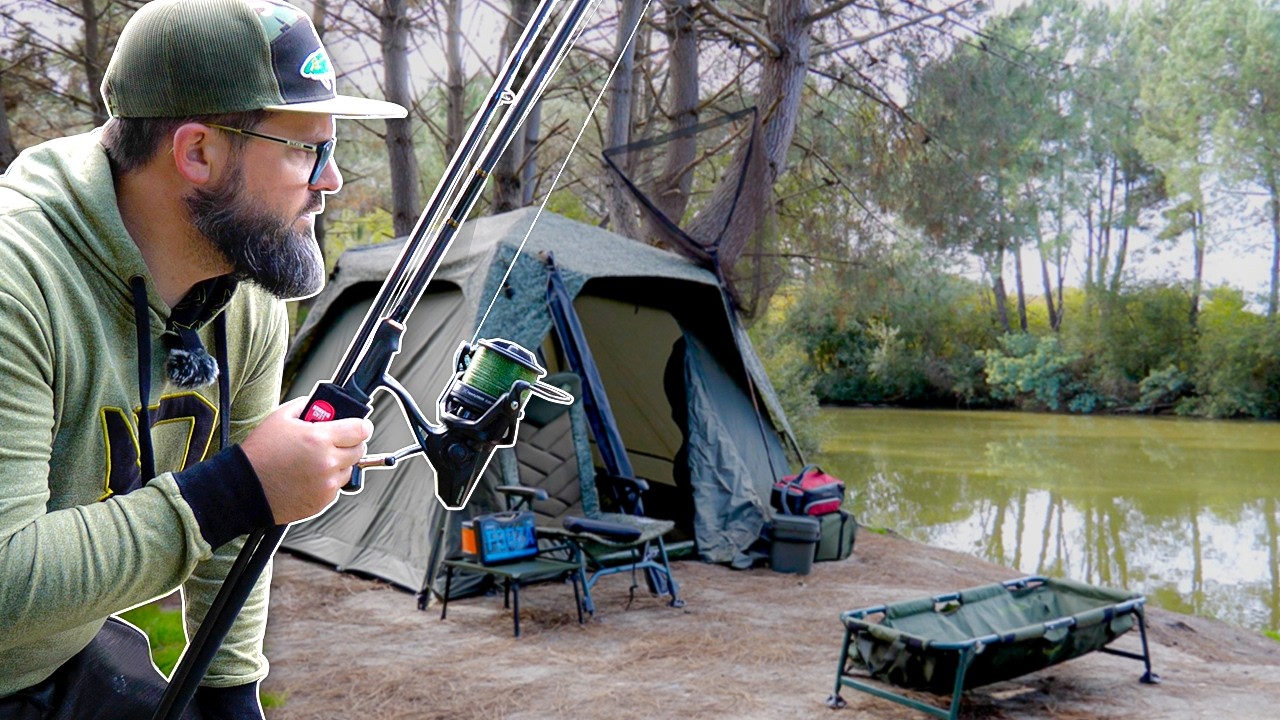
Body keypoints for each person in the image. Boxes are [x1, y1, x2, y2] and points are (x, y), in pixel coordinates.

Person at [0, 0, 406, 717]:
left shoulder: (241, 295)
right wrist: (231, 492)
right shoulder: (16, 277)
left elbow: (240, 536)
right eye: (306, 148)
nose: (332, 180)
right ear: (197, 154)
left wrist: (230, 693)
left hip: (59, 656)